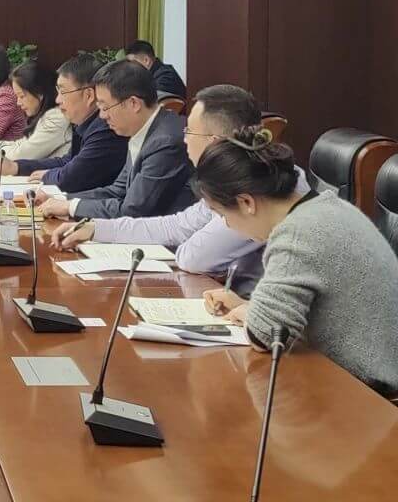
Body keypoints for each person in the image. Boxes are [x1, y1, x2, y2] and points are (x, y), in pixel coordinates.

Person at [196, 128, 398, 397]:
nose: (228, 225)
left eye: (222, 215)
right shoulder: (327, 208)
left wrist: (253, 315)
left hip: (369, 396)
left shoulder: (297, 234)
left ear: (246, 202)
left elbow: (265, 335)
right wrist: (248, 306)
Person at [49, 84, 309, 293]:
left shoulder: (257, 188)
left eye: (190, 132)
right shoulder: (236, 178)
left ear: (214, 142)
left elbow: (194, 257)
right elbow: (177, 225)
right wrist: (96, 228)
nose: (183, 139)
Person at [37, 58, 193, 219]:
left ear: (133, 103)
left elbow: (132, 210)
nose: (102, 116)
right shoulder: (143, 130)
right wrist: (61, 199)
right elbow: (117, 191)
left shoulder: (165, 142)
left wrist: (70, 207)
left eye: (105, 107)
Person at [0, 53, 127, 194]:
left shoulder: (105, 130)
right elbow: (66, 162)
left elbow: (70, 179)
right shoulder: (84, 124)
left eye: (63, 92)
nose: (58, 100)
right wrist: (15, 167)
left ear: (89, 95)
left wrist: (48, 175)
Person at [0, 60, 70, 162]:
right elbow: (23, 144)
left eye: (22, 96)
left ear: (39, 93)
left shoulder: (57, 117)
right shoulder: (47, 115)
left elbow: (24, 153)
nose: (18, 103)